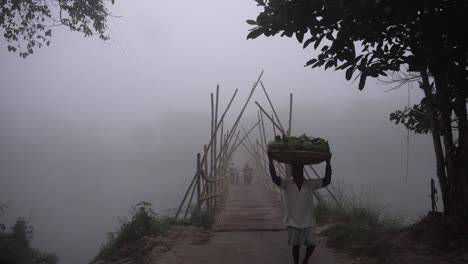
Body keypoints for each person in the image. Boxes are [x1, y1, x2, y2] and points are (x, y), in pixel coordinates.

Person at [267, 150, 332, 264]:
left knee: (311, 245)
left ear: (303, 171)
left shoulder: (310, 184)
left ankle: (305, 260)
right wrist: (270, 160)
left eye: (300, 170)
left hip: (308, 220)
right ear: (292, 172)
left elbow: (327, 180)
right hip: (293, 220)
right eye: (296, 170)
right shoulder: (287, 185)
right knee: (295, 246)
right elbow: (274, 177)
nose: (298, 172)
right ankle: (296, 263)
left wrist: (328, 163)